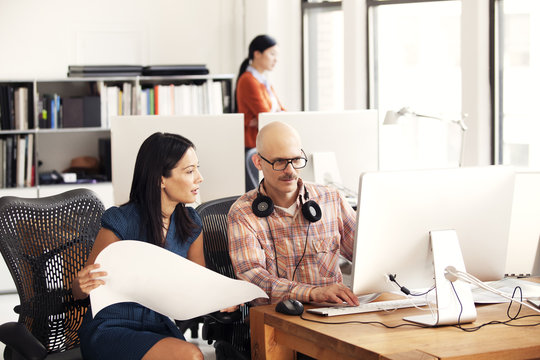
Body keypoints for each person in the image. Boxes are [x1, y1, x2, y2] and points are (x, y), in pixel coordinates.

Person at [72, 132, 207, 360]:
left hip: (159, 324)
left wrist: (224, 300)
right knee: (190, 355)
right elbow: (79, 291)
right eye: (189, 171)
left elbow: (200, 285)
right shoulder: (121, 221)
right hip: (113, 327)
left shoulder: (191, 223)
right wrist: (81, 284)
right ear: (160, 179)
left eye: (197, 168)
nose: (200, 178)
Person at [227, 121, 360, 307]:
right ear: (258, 162)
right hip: (279, 318)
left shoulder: (331, 198)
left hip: (334, 313)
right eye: (279, 162)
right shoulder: (243, 213)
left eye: (296, 160)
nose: (290, 171)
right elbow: (253, 280)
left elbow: (363, 253)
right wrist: (313, 293)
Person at [236, 34, 285, 191]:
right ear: (257, 54)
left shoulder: (264, 80)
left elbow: (282, 111)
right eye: (272, 54)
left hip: (265, 139)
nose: (275, 59)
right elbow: (265, 115)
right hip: (253, 144)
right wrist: (267, 117)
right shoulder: (248, 80)